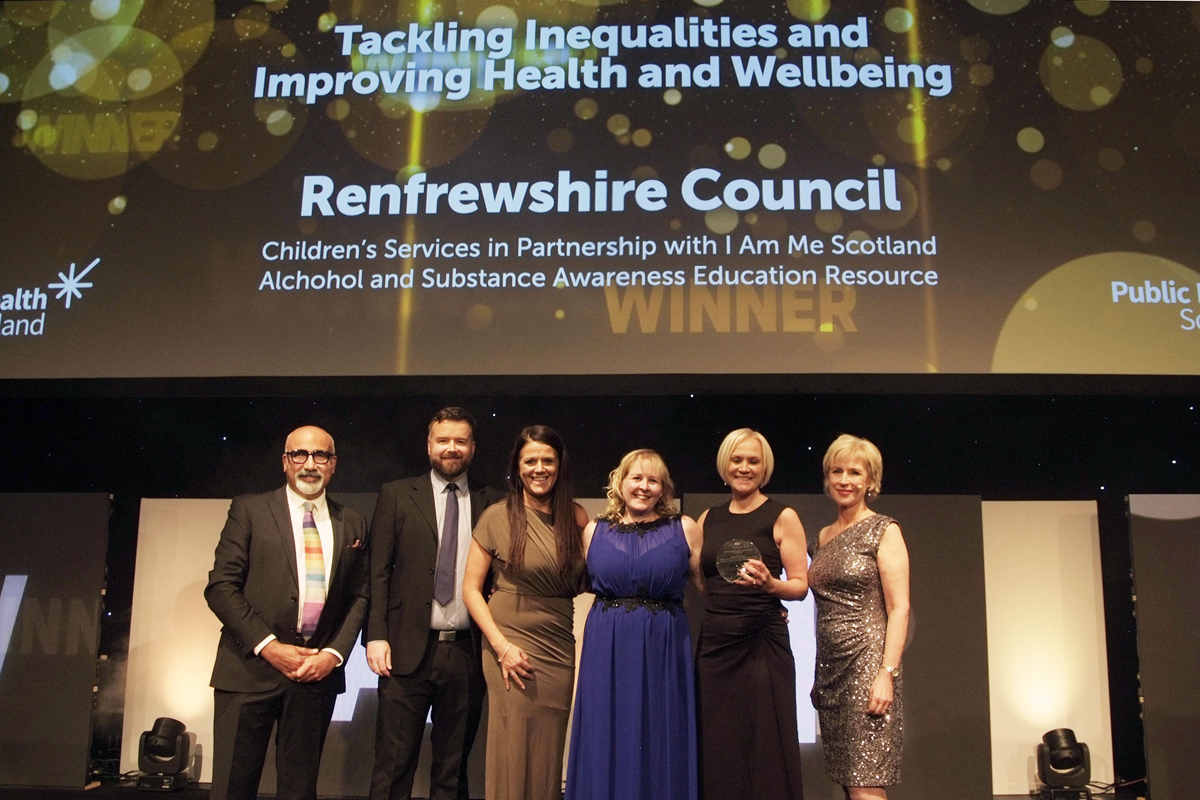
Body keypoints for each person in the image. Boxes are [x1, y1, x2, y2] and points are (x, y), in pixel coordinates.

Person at [205, 425, 368, 800]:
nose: (310, 464)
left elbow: (361, 596)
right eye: (300, 455)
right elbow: (220, 587)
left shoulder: (353, 522)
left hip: (315, 676)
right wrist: (269, 646)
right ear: (285, 462)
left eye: (320, 455)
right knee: (234, 786)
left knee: (300, 789)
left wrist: (333, 654)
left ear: (333, 464)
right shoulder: (250, 509)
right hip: (248, 671)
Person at [365, 407, 505, 800]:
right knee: (392, 767)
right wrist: (375, 635)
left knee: (452, 770)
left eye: (460, 441)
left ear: (472, 448)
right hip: (405, 650)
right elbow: (378, 571)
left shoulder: (493, 502)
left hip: (466, 653)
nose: (451, 448)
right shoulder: (396, 494)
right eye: (443, 440)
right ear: (429, 446)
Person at [565, 449, 704, 800]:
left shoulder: (684, 528)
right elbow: (569, 583)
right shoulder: (593, 531)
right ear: (620, 482)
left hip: (664, 646)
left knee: (659, 732)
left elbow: (709, 588)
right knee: (607, 730)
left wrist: (762, 606)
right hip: (606, 646)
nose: (643, 487)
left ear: (664, 488)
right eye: (636, 478)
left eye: (653, 480)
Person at [462, 425, 589, 800]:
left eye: (547, 460)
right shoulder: (497, 516)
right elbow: (470, 590)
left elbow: (589, 579)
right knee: (511, 746)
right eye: (530, 460)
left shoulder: (577, 518)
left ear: (559, 466)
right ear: (517, 468)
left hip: (558, 649)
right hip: (508, 645)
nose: (539, 468)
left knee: (549, 751)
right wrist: (501, 647)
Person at [695, 428, 808, 800]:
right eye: (737, 459)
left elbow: (800, 586)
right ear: (724, 465)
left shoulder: (782, 516)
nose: (744, 468)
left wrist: (770, 588)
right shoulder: (707, 518)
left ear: (765, 468)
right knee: (719, 743)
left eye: (753, 461)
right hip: (715, 646)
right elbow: (701, 581)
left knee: (766, 744)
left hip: (762, 642)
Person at [809, 434, 910, 800]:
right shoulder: (821, 537)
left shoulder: (884, 530)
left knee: (865, 781)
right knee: (849, 779)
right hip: (832, 672)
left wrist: (887, 674)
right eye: (837, 471)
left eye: (855, 472)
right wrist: (819, 674)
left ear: (871, 481)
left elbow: (899, 607)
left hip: (868, 667)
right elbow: (820, 606)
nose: (844, 480)